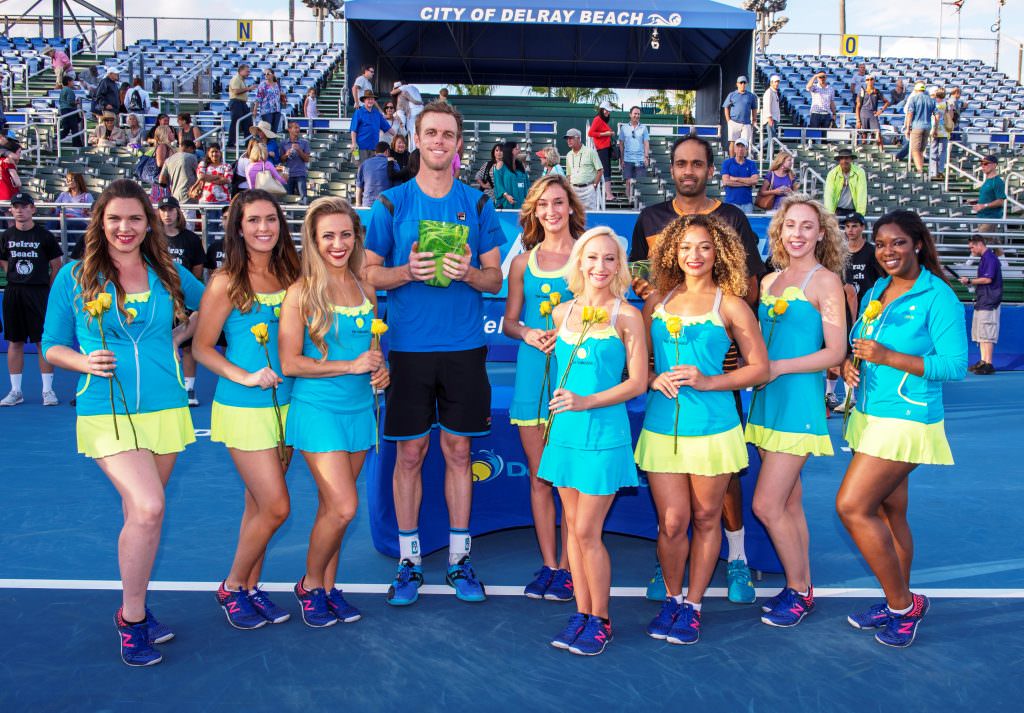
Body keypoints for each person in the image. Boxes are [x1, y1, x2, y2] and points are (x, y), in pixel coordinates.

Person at [41, 179, 204, 665]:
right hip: (105, 408)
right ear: (100, 222)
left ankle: (137, 606)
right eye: (115, 218)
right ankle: (131, 620)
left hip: (166, 406)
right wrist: (83, 361)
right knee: (150, 507)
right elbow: (51, 345)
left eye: (135, 218)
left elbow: (212, 301)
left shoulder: (167, 272)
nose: (125, 227)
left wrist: (181, 335)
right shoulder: (74, 276)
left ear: (148, 223)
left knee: (142, 516)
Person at [363, 101, 504, 607]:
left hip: (464, 348)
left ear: (458, 144)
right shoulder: (391, 203)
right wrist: (407, 272)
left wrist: (469, 273)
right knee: (410, 454)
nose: (439, 141)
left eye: (448, 134)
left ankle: (460, 559)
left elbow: (496, 279)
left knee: (459, 452)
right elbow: (367, 274)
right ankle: (409, 561)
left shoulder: (478, 203)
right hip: (408, 349)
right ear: (417, 140)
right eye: (431, 133)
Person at [629, 134, 768, 605]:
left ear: (711, 169)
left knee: (721, 483)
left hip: (718, 362)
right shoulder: (649, 220)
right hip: (668, 382)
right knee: (673, 514)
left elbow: (751, 286)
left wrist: (722, 325)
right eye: (681, 163)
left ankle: (736, 558)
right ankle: (669, 566)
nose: (688, 171)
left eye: (697, 164)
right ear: (671, 169)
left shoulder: (733, 220)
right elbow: (639, 281)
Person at [837, 209, 966, 648]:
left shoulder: (938, 296)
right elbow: (863, 344)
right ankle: (898, 600)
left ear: (917, 244)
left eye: (898, 243)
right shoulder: (879, 288)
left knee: (852, 506)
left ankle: (903, 605)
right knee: (889, 513)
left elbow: (955, 366)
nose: (888, 251)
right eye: (881, 244)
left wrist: (888, 357)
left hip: (906, 419)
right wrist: (851, 363)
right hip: (869, 415)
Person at [192, 189, 302, 630]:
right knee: (276, 507)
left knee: (257, 504)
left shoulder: (293, 274)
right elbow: (201, 348)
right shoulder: (225, 282)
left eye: (271, 219)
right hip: (243, 408)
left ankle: (251, 588)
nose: (263, 228)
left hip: (289, 406)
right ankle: (232, 585)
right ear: (238, 227)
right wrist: (245, 376)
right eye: (253, 220)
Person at [279, 197, 389, 627]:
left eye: (346, 234)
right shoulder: (300, 293)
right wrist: (350, 366)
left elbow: (372, 351)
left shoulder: (366, 289)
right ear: (313, 240)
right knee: (344, 506)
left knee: (332, 508)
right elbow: (290, 363)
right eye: (328, 236)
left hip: (360, 410)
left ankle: (327, 588)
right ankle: (310, 585)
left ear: (357, 238)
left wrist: (380, 371)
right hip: (317, 409)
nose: (338, 244)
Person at [540, 226, 647, 656]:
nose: (600, 266)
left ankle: (601, 619)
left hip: (604, 434)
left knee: (587, 530)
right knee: (573, 529)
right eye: (592, 257)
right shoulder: (561, 313)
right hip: (565, 434)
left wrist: (586, 401)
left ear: (619, 266)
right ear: (579, 262)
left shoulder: (628, 316)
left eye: (609, 258)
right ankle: (582, 614)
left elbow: (637, 383)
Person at [746, 194, 848, 627]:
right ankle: (800, 585)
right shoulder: (770, 281)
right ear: (780, 231)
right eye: (791, 225)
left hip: (798, 404)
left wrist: (778, 367)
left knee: (766, 505)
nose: (798, 234)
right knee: (789, 501)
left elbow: (835, 352)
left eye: (808, 226)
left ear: (821, 233)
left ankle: (799, 590)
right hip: (765, 402)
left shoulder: (826, 283)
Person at [502, 174, 585, 601]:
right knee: (540, 478)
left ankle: (570, 568)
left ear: (570, 207)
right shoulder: (522, 263)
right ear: (534, 212)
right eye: (543, 205)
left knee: (568, 481)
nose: (551, 211)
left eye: (557, 202)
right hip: (532, 374)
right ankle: (550, 565)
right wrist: (529, 333)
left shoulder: (589, 256)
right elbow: (508, 322)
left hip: (575, 375)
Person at [0, 192, 63, 407]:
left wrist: (48, 290)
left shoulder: (44, 236)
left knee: (41, 341)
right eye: (16, 206)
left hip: (39, 293)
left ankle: (47, 391)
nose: (20, 210)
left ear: (33, 209)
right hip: (14, 292)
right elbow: (4, 261)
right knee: (15, 341)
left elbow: (56, 265)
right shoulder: (6, 236)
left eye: (24, 206)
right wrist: (16, 277)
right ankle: (15, 391)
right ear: (11, 210)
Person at [831, 212, 883, 414]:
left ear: (862, 227)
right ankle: (847, 397)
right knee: (844, 353)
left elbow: (882, 280)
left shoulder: (871, 252)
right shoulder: (841, 253)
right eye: (847, 226)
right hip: (846, 311)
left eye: (855, 226)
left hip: (869, 310)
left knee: (867, 354)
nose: (850, 230)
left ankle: (869, 396)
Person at [157, 196, 205, 406]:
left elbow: (197, 270)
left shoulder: (191, 239)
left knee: (187, 346)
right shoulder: (151, 238)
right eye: (163, 209)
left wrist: (185, 291)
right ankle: (164, 386)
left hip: (184, 300)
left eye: (171, 209)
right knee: (158, 343)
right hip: (159, 299)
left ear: (178, 212)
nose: (167, 214)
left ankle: (189, 388)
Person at [962, 233, 1002, 375]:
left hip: (990, 301)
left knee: (987, 333)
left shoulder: (990, 258)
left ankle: (988, 363)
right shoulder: (985, 258)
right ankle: (983, 361)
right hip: (983, 300)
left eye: (972, 247)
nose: (971, 250)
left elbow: (987, 279)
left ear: (979, 244)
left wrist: (970, 281)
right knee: (981, 333)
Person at [563, 128, 603, 212]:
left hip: (588, 189)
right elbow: (568, 175)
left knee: (590, 214)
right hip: (573, 189)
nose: (568, 141)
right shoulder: (569, 155)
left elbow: (600, 170)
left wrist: (594, 186)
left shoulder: (590, 152)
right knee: (573, 214)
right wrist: (568, 189)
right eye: (567, 139)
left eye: (571, 138)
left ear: (578, 138)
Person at [196, 142, 231, 235]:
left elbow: (227, 180)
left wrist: (208, 178)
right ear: (208, 153)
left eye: (216, 151)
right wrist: (219, 177)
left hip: (223, 202)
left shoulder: (226, 166)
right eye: (212, 152)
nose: (214, 154)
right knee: (208, 230)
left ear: (220, 153)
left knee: (223, 229)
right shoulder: (203, 164)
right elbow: (201, 176)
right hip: (206, 202)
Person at [350, 91, 392, 166]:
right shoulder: (358, 112)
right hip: (361, 147)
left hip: (374, 148)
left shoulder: (377, 113)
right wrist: (353, 143)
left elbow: (388, 128)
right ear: (364, 100)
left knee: (372, 169)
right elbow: (353, 130)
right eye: (368, 99)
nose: (370, 101)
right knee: (361, 168)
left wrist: (398, 135)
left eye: (372, 99)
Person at [824, 147, 867, 220]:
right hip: (837, 211)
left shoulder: (859, 172)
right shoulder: (832, 174)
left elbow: (862, 195)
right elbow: (829, 195)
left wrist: (860, 215)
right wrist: (830, 214)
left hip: (854, 211)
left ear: (851, 159)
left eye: (846, 158)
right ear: (839, 160)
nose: (844, 161)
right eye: (842, 158)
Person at [617, 106, 649, 203]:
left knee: (639, 182)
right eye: (635, 113)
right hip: (627, 159)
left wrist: (646, 157)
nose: (637, 115)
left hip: (640, 160)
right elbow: (621, 144)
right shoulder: (624, 128)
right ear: (630, 115)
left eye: (638, 114)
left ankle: (639, 204)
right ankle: (629, 201)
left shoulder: (644, 128)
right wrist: (621, 159)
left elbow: (646, 143)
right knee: (628, 181)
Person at [903, 82, 935, 176]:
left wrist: (907, 128)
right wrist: (935, 128)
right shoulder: (931, 100)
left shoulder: (913, 99)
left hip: (917, 126)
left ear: (916, 90)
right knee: (921, 150)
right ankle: (920, 167)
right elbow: (936, 115)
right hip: (927, 126)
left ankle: (920, 170)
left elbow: (910, 114)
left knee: (915, 150)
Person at [719, 138, 759, 213]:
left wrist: (735, 179)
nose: (740, 149)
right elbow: (726, 182)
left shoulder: (751, 164)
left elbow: (754, 181)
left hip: (747, 203)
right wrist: (747, 183)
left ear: (746, 150)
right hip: (731, 202)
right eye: (738, 146)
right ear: (734, 149)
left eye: (742, 147)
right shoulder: (727, 163)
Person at [723, 75, 758, 157]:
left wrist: (754, 119)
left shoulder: (751, 96)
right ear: (737, 84)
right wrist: (728, 120)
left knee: (744, 143)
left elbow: (754, 108)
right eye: (741, 82)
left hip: (746, 123)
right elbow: (726, 107)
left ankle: (742, 161)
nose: (743, 84)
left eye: (744, 83)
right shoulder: (732, 95)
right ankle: (732, 160)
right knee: (732, 142)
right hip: (734, 122)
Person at [56, 171, 94, 244]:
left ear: (78, 181)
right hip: (64, 218)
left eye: (71, 180)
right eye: (67, 180)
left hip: (79, 220)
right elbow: (56, 208)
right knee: (52, 220)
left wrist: (87, 212)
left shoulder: (86, 196)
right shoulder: (63, 194)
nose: (69, 182)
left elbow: (94, 213)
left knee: (68, 223)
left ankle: (70, 248)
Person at [588, 101, 615, 202]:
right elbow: (590, 133)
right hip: (602, 148)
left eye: (609, 111)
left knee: (606, 170)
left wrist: (609, 133)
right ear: (602, 110)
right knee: (605, 170)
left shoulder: (602, 120)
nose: (608, 112)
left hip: (605, 147)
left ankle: (608, 193)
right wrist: (606, 134)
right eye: (606, 110)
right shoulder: (597, 119)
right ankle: (608, 194)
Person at [971, 154, 1005, 234]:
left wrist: (983, 206)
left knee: (984, 239)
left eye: (986, 164)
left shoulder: (997, 181)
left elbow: (1000, 201)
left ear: (994, 165)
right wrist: (976, 201)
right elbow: (989, 197)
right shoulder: (987, 180)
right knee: (990, 240)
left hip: (990, 218)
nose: (983, 166)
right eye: (982, 164)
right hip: (982, 217)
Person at [159, 139, 199, 205]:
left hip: (175, 198)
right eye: (193, 151)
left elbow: (162, 181)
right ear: (190, 148)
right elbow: (200, 175)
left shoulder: (168, 160)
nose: (193, 153)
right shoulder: (192, 157)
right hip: (189, 197)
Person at [280, 121, 311, 202]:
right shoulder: (283, 143)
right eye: (296, 128)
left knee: (303, 199)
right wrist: (286, 154)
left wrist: (299, 150)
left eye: (298, 128)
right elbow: (281, 160)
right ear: (289, 129)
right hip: (288, 175)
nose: (298, 130)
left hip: (300, 174)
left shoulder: (305, 143)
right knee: (287, 199)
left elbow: (307, 159)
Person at [856, 75, 889, 149]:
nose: (869, 81)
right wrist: (858, 120)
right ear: (865, 81)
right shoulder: (862, 91)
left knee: (878, 135)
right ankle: (864, 153)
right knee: (864, 136)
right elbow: (858, 106)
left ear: (874, 80)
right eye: (867, 80)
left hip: (872, 114)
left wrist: (881, 110)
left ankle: (881, 152)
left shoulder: (877, 92)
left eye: (871, 79)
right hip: (863, 113)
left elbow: (887, 102)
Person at [355, 141, 392, 208]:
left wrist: (358, 204)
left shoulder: (364, 163)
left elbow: (359, 186)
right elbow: (397, 186)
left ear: (375, 152)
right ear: (387, 151)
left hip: (367, 204)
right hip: (386, 205)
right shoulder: (392, 164)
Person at [493, 141, 529, 209]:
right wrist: (506, 195)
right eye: (517, 149)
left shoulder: (520, 165)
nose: (519, 151)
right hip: (507, 204)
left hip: (521, 204)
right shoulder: (501, 164)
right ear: (510, 150)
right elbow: (498, 183)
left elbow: (526, 183)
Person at [391, 81, 424, 151]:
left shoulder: (397, 97)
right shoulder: (404, 91)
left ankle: (404, 149)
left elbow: (406, 106)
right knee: (407, 133)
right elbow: (413, 101)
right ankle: (411, 150)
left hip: (399, 114)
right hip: (402, 115)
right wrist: (421, 103)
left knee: (404, 132)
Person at [228, 63, 254, 147]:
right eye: (247, 71)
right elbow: (235, 91)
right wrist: (248, 88)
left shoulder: (242, 80)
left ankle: (248, 142)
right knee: (236, 122)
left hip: (242, 103)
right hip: (236, 102)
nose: (248, 73)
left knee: (248, 121)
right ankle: (231, 142)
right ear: (241, 71)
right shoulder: (236, 79)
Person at [253, 69, 284, 134]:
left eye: (268, 74)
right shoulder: (262, 85)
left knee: (274, 130)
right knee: (268, 130)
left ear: (273, 75)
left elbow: (280, 94)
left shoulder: (277, 84)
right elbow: (258, 97)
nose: (266, 75)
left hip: (277, 109)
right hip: (266, 110)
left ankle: (273, 140)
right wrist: (255, 109)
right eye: (265, 74)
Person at [58, 75, 83, 147]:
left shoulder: (63, 90)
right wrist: (77, 102)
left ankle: (57, 139)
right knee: (74, 128)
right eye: (72, 81)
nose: (73, 83)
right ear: (68, 82)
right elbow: (70, 102)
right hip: (70, 110)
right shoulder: (69, 90)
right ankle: (76, 144)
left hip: (64, 110)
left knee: (67, 128)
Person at [761, 75, 782, 145]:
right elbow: (767, 106)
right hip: (770, 119)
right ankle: (758, 149)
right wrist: (769, 118)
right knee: (772, 139)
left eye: (778, 82)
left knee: (772, 138)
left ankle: (757, 148)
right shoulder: (769, 92)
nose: (777, 83)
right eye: (775, 82)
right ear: (771, 83)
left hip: (774, 118)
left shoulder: (774, 92)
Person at [0, 139, 22, 204]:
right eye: (19, 152)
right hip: (9, 196)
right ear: (12, 153)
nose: (20, 155)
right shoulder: (8, 162)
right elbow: (18, 183)